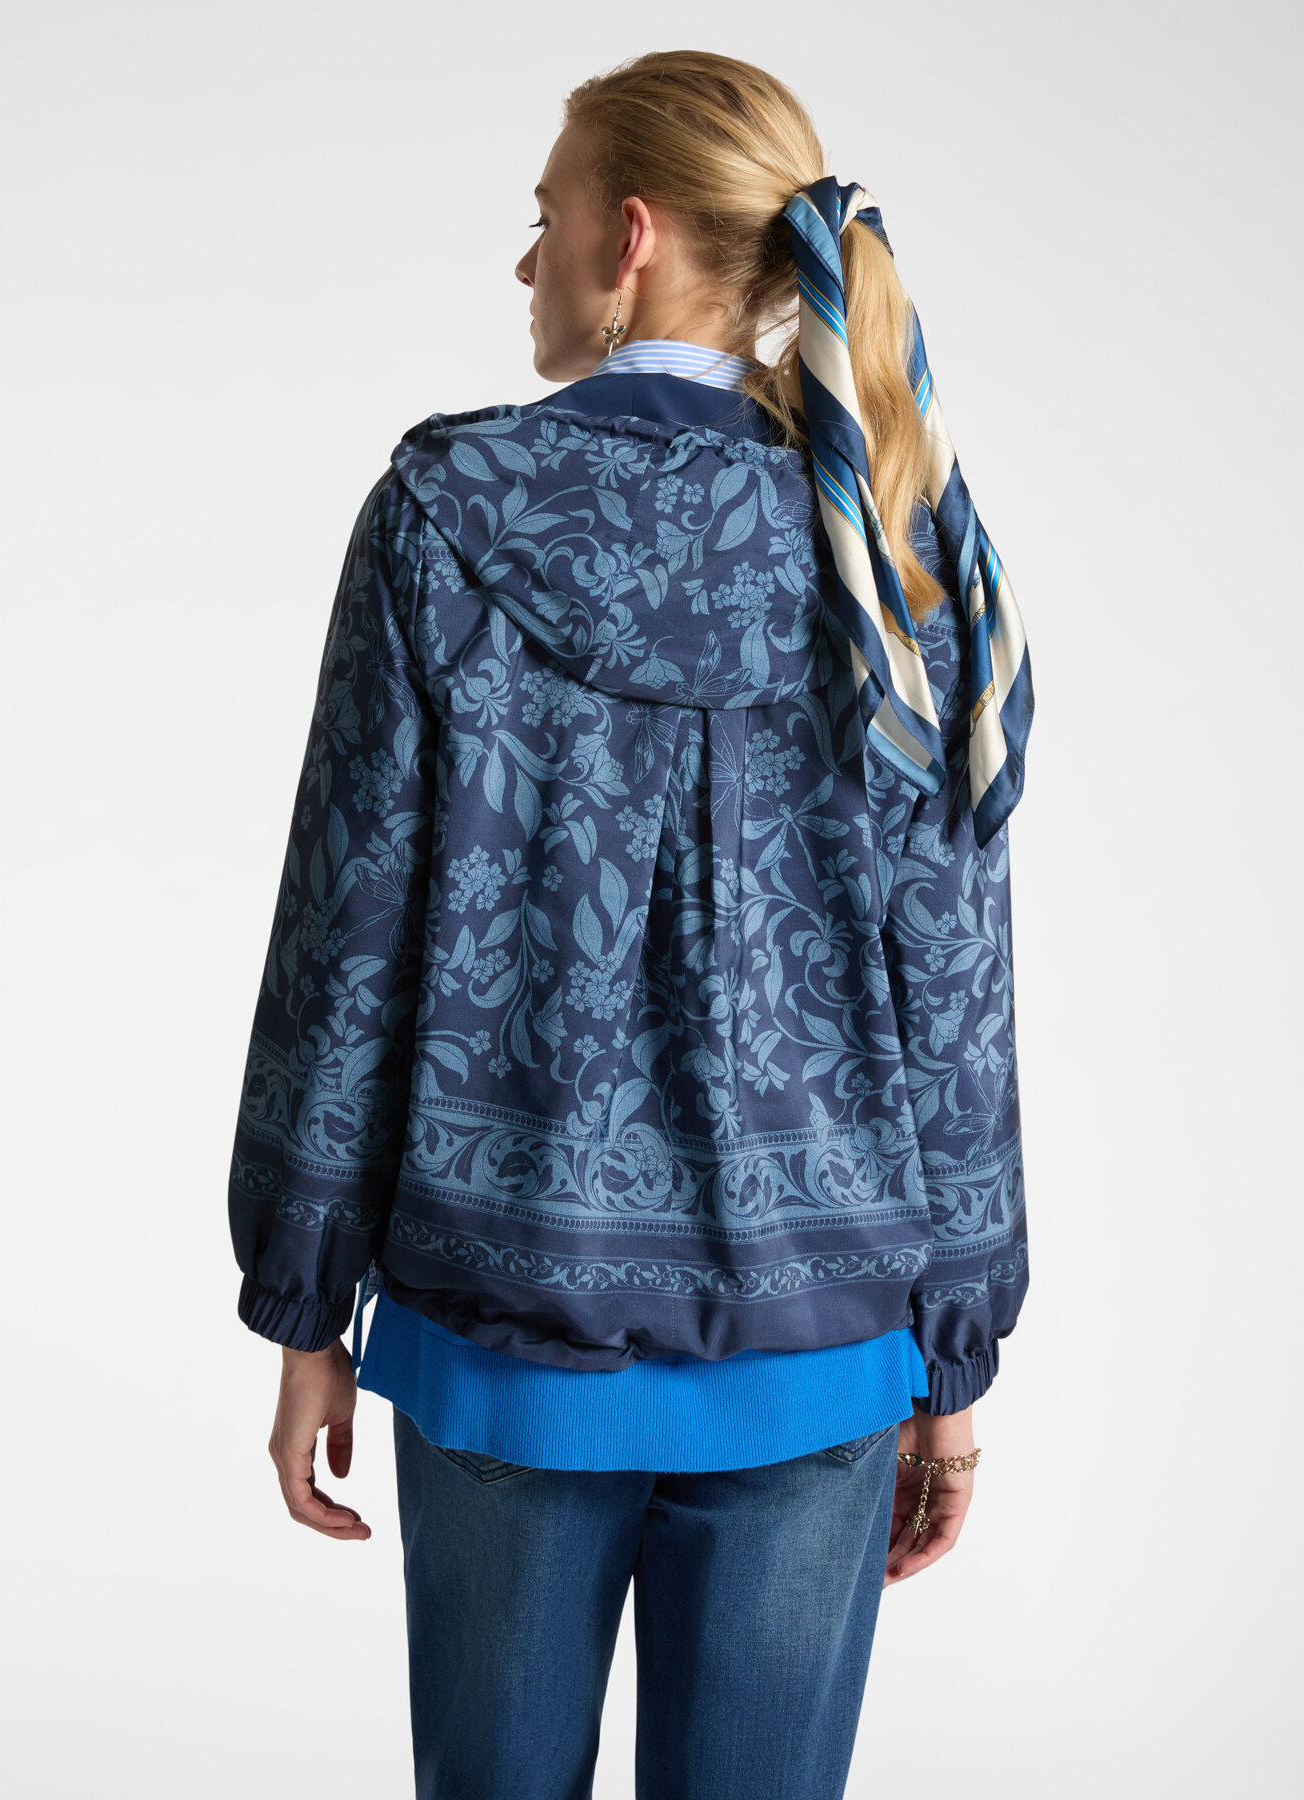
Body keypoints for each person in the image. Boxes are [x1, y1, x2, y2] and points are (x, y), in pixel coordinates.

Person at [227, 48, 1034, 1800]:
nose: (528, 259)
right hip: (823, 1344)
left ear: (634, 236)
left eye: (546, 217)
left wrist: (303, 1309)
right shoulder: (896, 549)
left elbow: (345, 940)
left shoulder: (442, 513)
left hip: (500, 1327)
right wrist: (953, 1358)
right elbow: (954, 978)